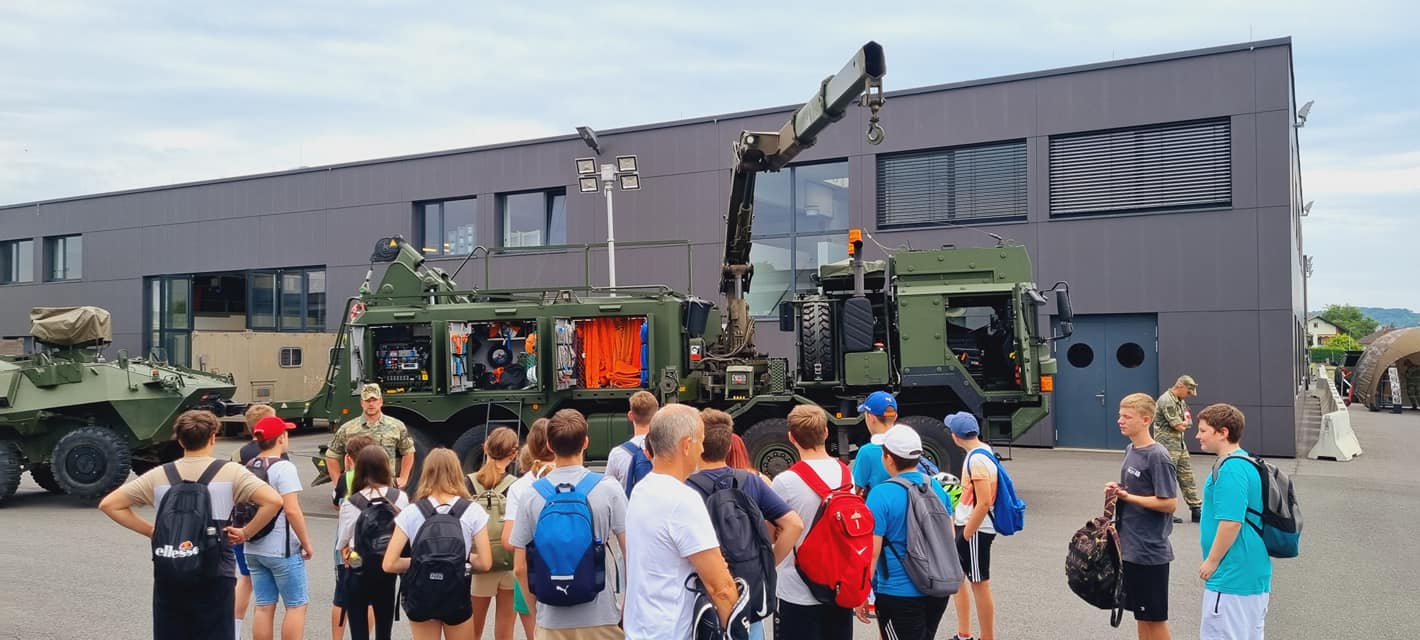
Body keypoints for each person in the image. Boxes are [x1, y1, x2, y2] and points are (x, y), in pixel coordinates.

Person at [99, 410, 282, 640]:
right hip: (215, 571)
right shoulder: (231, 472)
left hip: (171, 568)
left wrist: (152, 531)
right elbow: (273, 501)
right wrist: (246, 532)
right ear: (213, 438)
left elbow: (109, 504)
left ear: (180, 440)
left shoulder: (159, 475)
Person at [509, 409, 628, 639]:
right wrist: (627, 606)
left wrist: (537, 614)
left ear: (550, 445)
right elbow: (630, 553)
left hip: (550, 621)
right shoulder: (608, 488)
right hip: (601, 617)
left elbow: (520, 568)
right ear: (586, 443)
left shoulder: (531, 494)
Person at [623, 404, 740, 639]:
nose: (702, 449)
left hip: (642, 626)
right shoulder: (682, 500)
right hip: (672, 631)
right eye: (701, 441)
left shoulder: (642, 489)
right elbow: (721, 588)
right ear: (686, 445)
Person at [691, 409, 805, 640]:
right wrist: (768, 563)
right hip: (747, 588)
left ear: (698, 444)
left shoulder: (686, 486)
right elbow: (794, 524)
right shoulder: (751, 481)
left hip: (704, 593)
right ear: (728, 446)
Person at [383, 448, 494, 640]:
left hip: (422, 594)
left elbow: (389, 564)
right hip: (456, 594)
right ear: (457, 472)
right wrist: (461, 558)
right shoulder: (473, 511)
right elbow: (485, 563)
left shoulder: (411, 512)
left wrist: (420, 561)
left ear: (426, 473)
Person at [769, 404, 857, 640]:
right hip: (838, 584)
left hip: (797, 587)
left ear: (791, 438)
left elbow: (771, 531)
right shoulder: (846, 474)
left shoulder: (786, 481)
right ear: (826, 432)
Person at [860, 427, 955, 640]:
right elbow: (948, 536)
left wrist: (862, 592)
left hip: (897, 593)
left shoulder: (880, 494)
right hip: (937, 588)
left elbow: (872, 553)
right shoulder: (935, 486)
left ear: (888, 458)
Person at [1195, 404, 1272, 639]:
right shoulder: (1247, 462)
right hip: (1249, 573)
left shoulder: (1230, 469)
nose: (1198, 436)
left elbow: (1231, 522)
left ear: (1223, 432)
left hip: (1231, 575)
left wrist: (1212, 561)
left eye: (1203, 430)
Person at [1106, 393, 1178, 640]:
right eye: (1120, 415)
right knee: (1141, 616)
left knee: (1155, 620)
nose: (1120, 421)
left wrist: (1129, 497)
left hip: (1150, 551)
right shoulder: (1130, 449)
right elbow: (1135, 489)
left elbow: (1169, 503)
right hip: (1130, 548)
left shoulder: (1158, 456)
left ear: (1146, 420)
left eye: (1127, 417)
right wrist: (1118, 489)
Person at [243, 416, 315, 640]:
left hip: (253, 547)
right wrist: (306, 543)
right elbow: (292, 510)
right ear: (281, 438)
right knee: (296, 605)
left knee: (264, 605)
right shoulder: (283, 467)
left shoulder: (249, 465)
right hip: (281, 549)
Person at [337, 446, 410, 640]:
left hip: (358, 565)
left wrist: (346, 552)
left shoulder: (351, 502)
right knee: (384, 629)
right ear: (386, 467)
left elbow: (343, 542)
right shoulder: (400, 498)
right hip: (387, 566)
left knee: (358, 629)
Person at [501, 418, 555, 640]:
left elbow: (509, 540)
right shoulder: (579, 479)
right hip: (572, 568)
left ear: (530, 448)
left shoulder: (520, 487)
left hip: (530, 573)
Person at [947, 411, 997, 640]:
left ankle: (986, 637)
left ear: (956, 436)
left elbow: (984, 501)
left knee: (979, 583)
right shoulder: (984, 451)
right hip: (971, 526)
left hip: (975, 528)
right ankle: (964, 634)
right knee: (961, 579)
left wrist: (965, 535)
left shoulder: (976, 460)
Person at [468, 427, 520, 640]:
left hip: (479, 563)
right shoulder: (516, 486)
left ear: (485, 448)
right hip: (509, 562)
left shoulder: (468, 483)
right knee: (505, 631)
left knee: (472, 631)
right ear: (513, 454)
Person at [232, 402, 278, 640]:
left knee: (245, 579)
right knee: (268, 590)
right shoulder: (275, 454)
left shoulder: (238, 454)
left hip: (240, 523)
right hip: (267, 527)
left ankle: (233, 631)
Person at [331, 434, 378, 640]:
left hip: (347, 547)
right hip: (374, 547)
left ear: (349, 458)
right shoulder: (385, 481)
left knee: (342, 596)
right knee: (370, 599)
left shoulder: (346, 478)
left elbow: (336, 504)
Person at [328, 383, 415, 487]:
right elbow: (331, 455)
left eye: (374, 400)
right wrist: (339, 484)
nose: (371, 404)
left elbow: (408, 451)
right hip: (357, 487)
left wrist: (404, 478)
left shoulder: (396, 426)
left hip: (387, 485)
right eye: (367, 401)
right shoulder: (347, 429)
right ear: (361, 403)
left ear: (381, 401)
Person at [1154, 375, 1201, 523]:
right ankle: (1166, 510)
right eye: (1188, 392)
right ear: (1180, 386)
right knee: (1167, 478)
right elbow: (1179, 426)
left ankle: (1196, 509)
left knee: (1187, 476)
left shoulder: (1180, 401)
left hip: (1179, 444)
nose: (1189, 395)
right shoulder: (1167, 400)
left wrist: (1184, 423)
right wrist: (1184, 423)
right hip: (1166, 446)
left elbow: (1189, 422)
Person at [606, 390, 658, 493]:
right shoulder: (666, 450)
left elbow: (609, 491)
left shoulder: (617, 454)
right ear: (656, 416)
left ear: (630, 415)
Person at [850, 391, 899, 495]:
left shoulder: (867, 451)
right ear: (895, 416)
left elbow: (853, 491)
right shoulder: (907, 445)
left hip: (881, 504)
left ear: (870, 417)